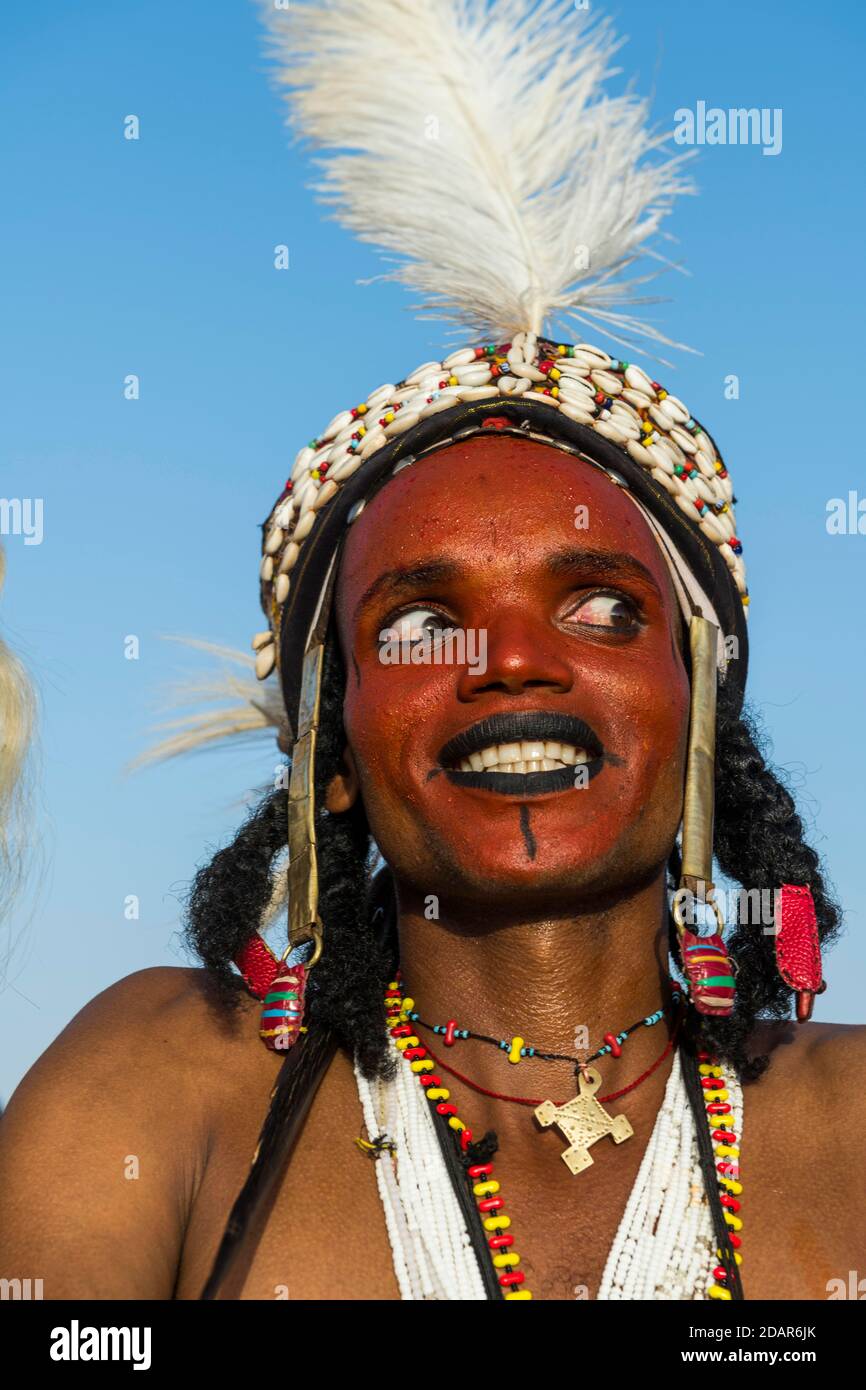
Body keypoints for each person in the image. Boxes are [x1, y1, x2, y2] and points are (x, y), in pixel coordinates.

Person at [0, 0, 862, 1301]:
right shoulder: (161, 1085)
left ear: (699, 716)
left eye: (600, 607)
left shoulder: (846, 1126)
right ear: (329, 748)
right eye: (419, 621)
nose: (510, 660)